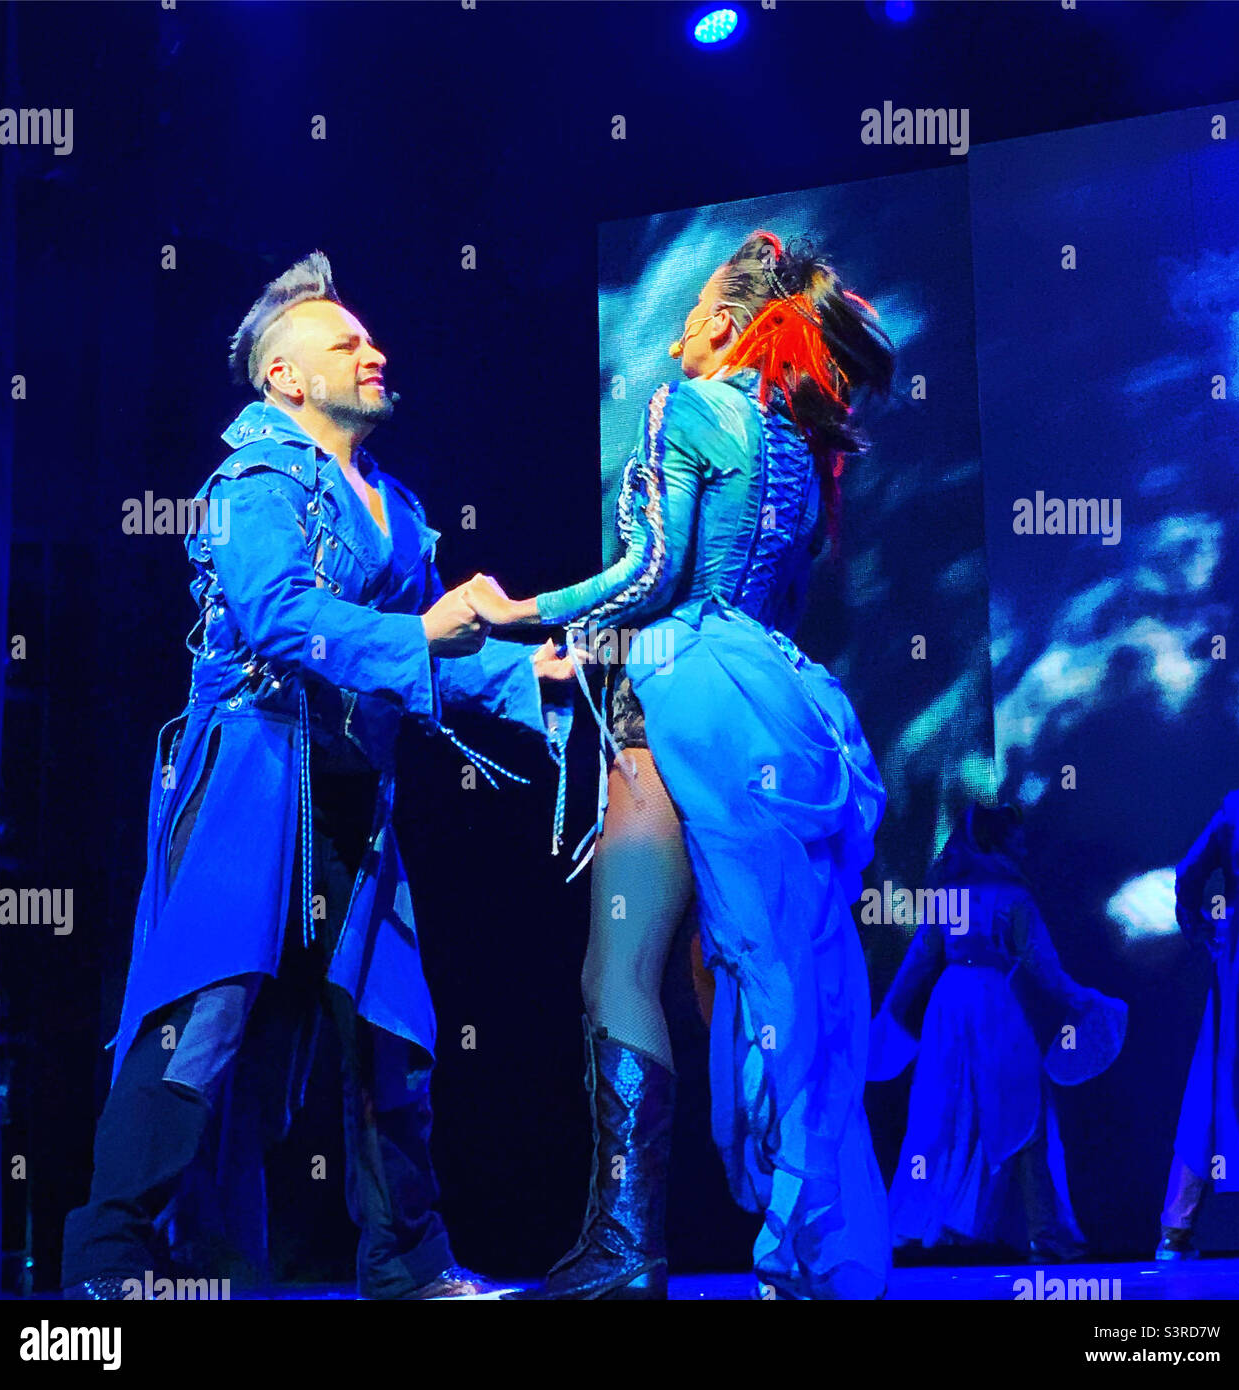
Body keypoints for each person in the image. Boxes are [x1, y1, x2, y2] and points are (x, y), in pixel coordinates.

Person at [61, 252, 573, 1300]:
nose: (373, 351)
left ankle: (410, 1267)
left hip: (351, 797)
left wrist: (540, 677)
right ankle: (112, 1261)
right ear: (288, 378)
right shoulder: (258, 476)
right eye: (347, 342)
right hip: (254, 772)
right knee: (200, 1019)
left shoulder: (392, 504)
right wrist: (424, 628)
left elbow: (438, 655)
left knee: (392, 1035)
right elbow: (277, 614)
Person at [463, 230, 894, 1300]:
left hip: (669, 694)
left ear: (723, 320)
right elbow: (743, 600)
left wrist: (515, 615)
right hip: (769, 710)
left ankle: (623, 1249)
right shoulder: (801, 448)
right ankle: (798, 1239)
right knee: (751, 975)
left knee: (621, 964)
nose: (682, 332)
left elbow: (654, 574)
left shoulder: (688, 408)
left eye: (698, 311)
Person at [867, 803, 1127, 1261]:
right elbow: (1043, 969)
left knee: (941, 1116)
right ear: (998, 842)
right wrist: (1083, 1000)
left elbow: (918, 963)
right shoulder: (1012, 898)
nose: (1024, 845)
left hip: (949, 1009)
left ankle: (924, 1227)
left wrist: (888, 1013)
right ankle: (1046, 1235)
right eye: (1016, 837)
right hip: (994, 1006)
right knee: (1024, 1114)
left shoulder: (950, 894)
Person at [1157, 741, 1239, 1259]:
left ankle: (1176, 1230)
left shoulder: (1237, 804)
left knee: (1214, 1082)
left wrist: (1203, 933)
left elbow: (1187, 875)